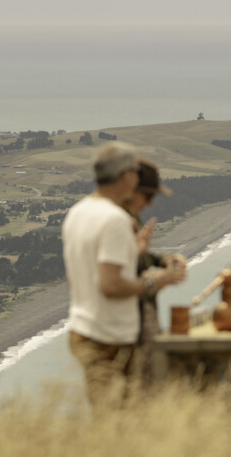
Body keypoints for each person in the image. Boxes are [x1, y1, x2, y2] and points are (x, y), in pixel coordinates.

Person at [62, 142, 185, 409]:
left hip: (83, 329)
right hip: (111, 336)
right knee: (125, 423)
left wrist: (134, 252)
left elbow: (77, 278)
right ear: (127, 175)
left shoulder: (77, 212)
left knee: (104, 417)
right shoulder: (115, 220)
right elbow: (110, 285)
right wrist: (158, 280)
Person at [122, 158, 187, 386]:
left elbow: (138, 259)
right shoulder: (118, 221)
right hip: (126, 323)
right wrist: (160, 280)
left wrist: (163, 260)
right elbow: (120, 275)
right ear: (132, 189)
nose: (150, 204)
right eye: (148, 196)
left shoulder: (131, 216)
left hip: (139, 317)